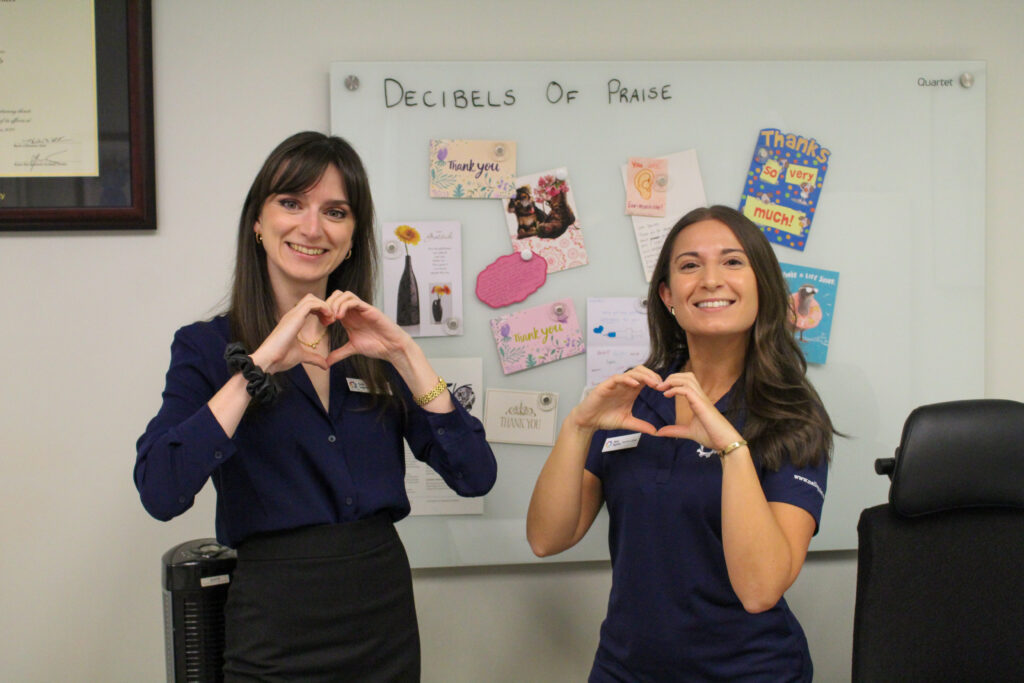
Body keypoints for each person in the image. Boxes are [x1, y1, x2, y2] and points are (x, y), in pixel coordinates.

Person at [135, 131, 497, 681]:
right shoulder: (206, 347)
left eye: (335, 211)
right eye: (291, 203)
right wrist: (255, 369)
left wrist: (405, 354)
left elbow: (475, 475)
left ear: (352, 237)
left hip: (382, 619)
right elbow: (160, 490)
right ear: (257, 222)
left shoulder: (371, 345)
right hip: (275, 625)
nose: (312, 227)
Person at [527, 205, 836, 681]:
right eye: (690, 265)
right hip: (625, 669)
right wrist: (577, 427)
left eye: (733, 262)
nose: (711, 279)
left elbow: (760, 590)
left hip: (750, 672)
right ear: (668, 295)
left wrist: (732, 450)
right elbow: (547, 538)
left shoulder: (790, 413)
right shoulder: (635, 399)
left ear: (763, 287)